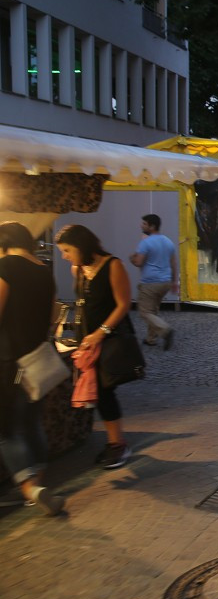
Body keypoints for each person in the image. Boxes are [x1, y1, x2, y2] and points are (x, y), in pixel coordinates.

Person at [55, 224, 137, 469]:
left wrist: (100, 333)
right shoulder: (77, 269)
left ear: (82, 246)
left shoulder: (113, 265)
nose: (64, 256)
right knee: (96, 392)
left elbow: (123, 305)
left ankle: (117, 444)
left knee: (104, 391)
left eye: (67, 250)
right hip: (87, 343)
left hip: (107, 340)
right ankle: (114, 442)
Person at [0, 222, 64, 515]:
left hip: (10, 360)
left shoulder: (6, 267)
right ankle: (38, 484)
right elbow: (54, 315)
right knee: (31, 422)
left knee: (7, 430)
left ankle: (30, 488)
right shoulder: (43, 269)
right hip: (38, 358)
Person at [128, 214, 178, 350]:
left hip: (150, 282)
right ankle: (151, 339)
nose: (141, 226)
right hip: (165, 282)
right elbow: (173, 263)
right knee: (153, 311)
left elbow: (139, 262)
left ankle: (166, 330)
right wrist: (174, 282)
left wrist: (131, 258)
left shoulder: (145, 242)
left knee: (144, 312)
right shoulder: (168, 241)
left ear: (152, 226)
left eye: (144, 224)